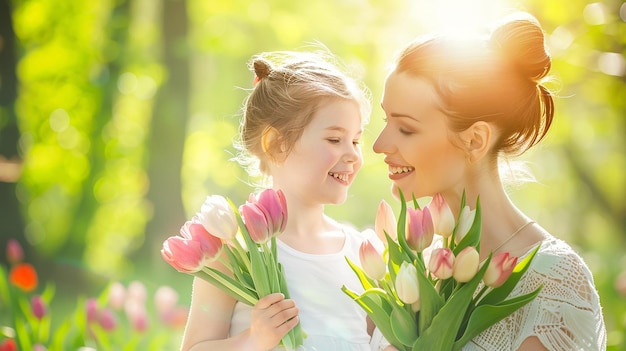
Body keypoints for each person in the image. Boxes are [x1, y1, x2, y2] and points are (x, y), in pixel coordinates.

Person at [371, 11, 606, 351]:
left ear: (475, 140)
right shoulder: (419, 268)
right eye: (385, 120)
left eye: (405, 128)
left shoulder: (552, 282)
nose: (379, 144)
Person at [180, 49, 393, 351]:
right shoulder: (234, 249)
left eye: (356, 141)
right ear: (276, 144)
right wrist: (253, 339)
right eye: (335, 139)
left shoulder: (362, 251)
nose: (353, 155)